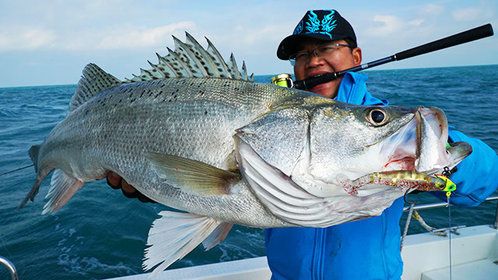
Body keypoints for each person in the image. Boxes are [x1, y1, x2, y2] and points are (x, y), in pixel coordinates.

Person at [107, 9, 498, 279]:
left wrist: (443, 162)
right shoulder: (267, 111)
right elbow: (208, 185)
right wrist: (154, 183)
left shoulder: (386, 128)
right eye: (302, 54)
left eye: (326, 49)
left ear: (355, 55)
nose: (313, 62)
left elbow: (489, 176)